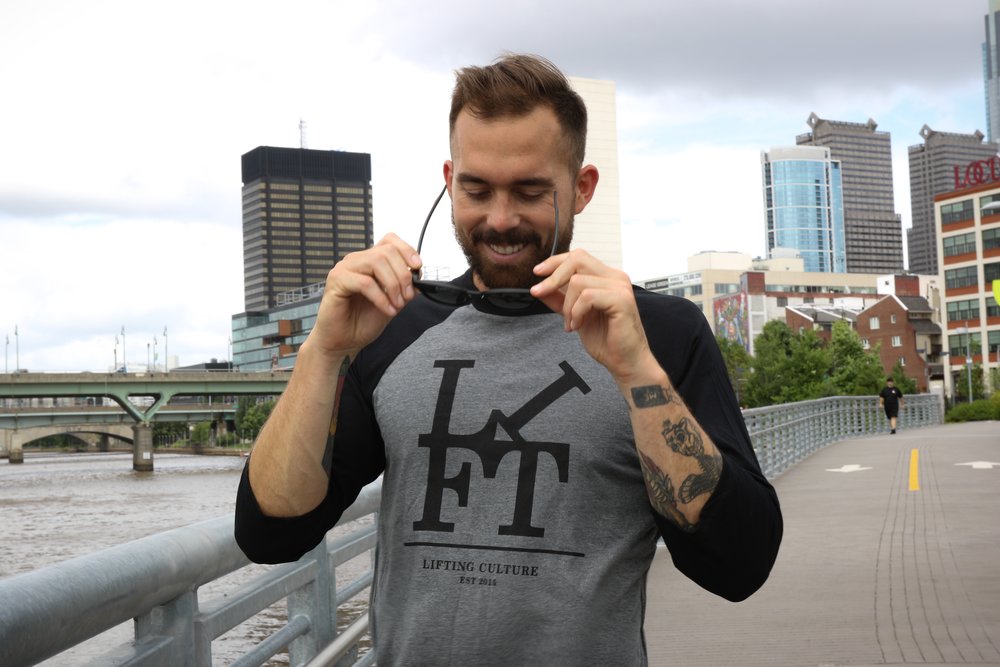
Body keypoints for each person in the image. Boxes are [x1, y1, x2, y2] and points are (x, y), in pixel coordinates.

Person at [235, 53, 783, 665]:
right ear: (449, 181)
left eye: (529, 191)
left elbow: (741, 565)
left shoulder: (658, 333)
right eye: (476, 190)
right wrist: (324, 349)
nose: (500, 219)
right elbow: (272, 532)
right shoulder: (390, 327)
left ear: (582, 188)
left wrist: (637, 373)